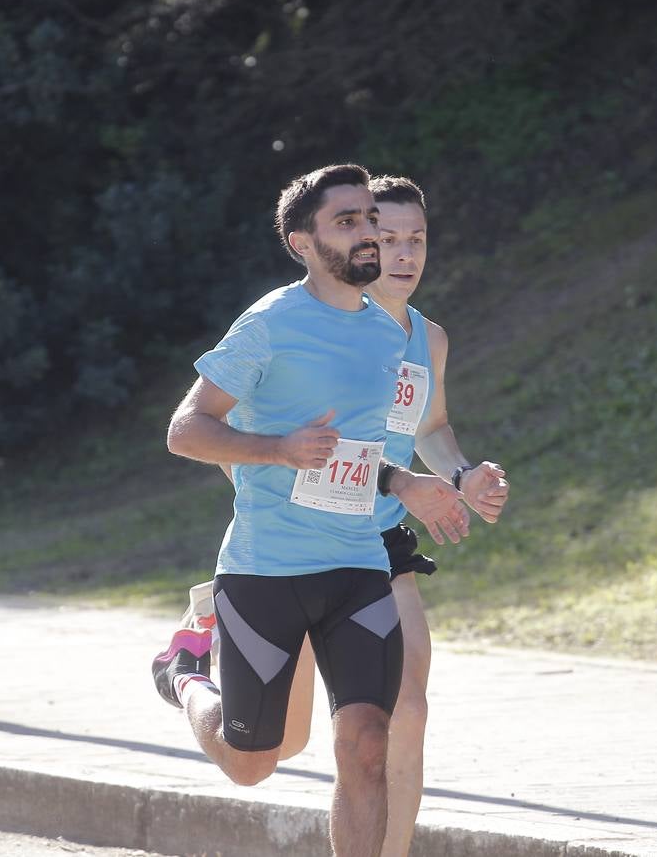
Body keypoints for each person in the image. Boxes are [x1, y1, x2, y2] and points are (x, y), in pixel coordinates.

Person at [158, 163, 469, 857]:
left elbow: (354, 453)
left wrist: (405, 483)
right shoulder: (269, 325)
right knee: (253, 761)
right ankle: (181, 674)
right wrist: (275, 447)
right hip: (267, 569)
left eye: (369, 220)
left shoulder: (388, 337)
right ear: (303, 242)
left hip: (358, 565)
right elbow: (185, 430)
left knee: (365, 743)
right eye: (348, 222)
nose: (370, 236)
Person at [276, 175, 510, 857]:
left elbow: (430, 427)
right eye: (386, 238)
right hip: (304, 542)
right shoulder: (323, 331)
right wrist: (399, 481)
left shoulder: (428, 340)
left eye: (418, 239)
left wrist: (466, 475)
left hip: (380, 541)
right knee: (269, 743)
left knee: (407, 713)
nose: (404, 254)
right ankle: (200, 655)